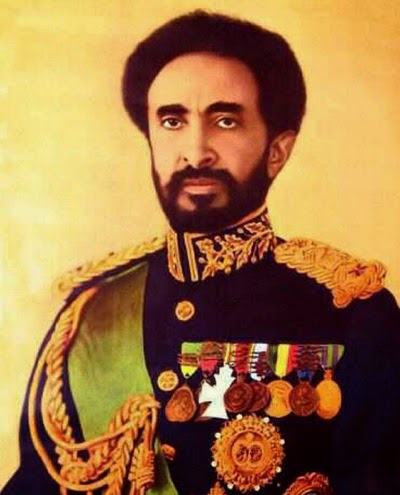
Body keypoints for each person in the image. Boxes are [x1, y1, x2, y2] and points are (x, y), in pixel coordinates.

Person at [3, 10, 399, 495]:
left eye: (225, 121)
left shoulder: (351, 313)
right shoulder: (91, 315)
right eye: (172, 121)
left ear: (277, 151)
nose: (195, 152)